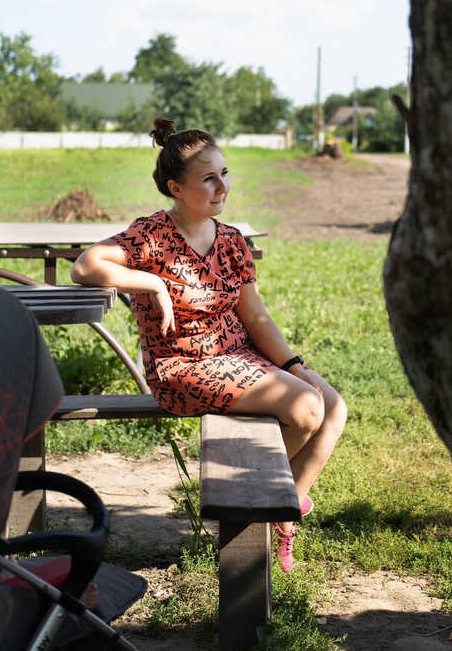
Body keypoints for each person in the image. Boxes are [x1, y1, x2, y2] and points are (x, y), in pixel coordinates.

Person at [71, 117, 347, 572]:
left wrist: (295, 366)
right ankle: (253, 506)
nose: (223, 187)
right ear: (176, 188)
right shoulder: (152, 235)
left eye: (225, 174)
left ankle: (282, 510)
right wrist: (152, 283)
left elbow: (255, 317)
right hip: (182, 367)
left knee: (332, 407)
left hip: (238, 357)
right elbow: (85, 266)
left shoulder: (232, 241)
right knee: (306, 409)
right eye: (208, 179)